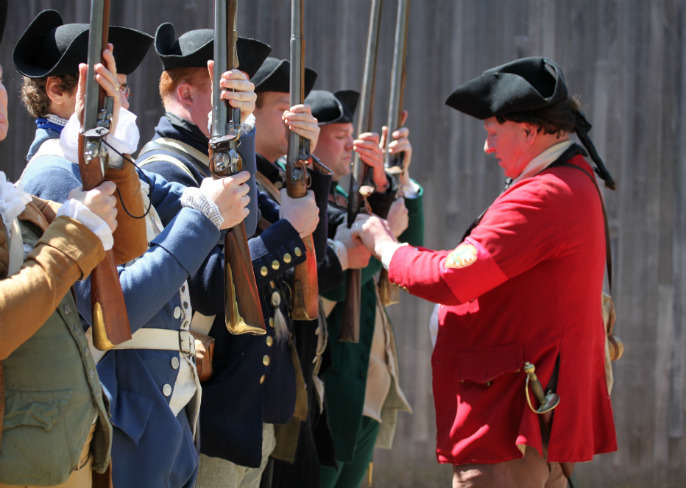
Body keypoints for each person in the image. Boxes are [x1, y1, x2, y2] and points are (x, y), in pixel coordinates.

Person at [14, 10, 254, 488]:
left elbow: (219, 197)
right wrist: (206, 216)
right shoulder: (54, 174)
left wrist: (237, 127)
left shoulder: (118, 167)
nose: (123, 100)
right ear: (59, 92)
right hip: (127, 424)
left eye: (120, 87)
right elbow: (115, 309)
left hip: (164, 421)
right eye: (109, 88)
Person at [353, 57, 617, 487]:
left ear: (529, 131)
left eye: (493, 133)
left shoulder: (543, 194)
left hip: (511, 424)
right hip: (528, 418)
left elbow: (450, 278)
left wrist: (382, 243)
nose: (487, 147)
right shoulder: (567, 181)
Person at [135, 26, 319, 488]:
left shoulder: (220, 161)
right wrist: (286, 233)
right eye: (231, 96)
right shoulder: (165, 168)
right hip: (209, 405)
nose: (243, 108)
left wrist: (304, 161)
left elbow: (298, 222)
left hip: (242, 403)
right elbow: (208, 284)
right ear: (187, 93)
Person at [0, 4, 124, 486]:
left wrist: (112, 154)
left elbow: (126, 249)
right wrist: (74, 238)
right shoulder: (47, 176)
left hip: (61, 457)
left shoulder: (18, 198)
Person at [305, 89, 422, 488]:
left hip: (369, 381)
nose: (349, 145)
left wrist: (395, 182)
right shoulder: (309, 197)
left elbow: (409, 255)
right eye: (339, 135)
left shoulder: (347, 194)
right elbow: (337, 283)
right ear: (310, 136)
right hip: (334, 382)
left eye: (351, 134)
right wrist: (383, 239)